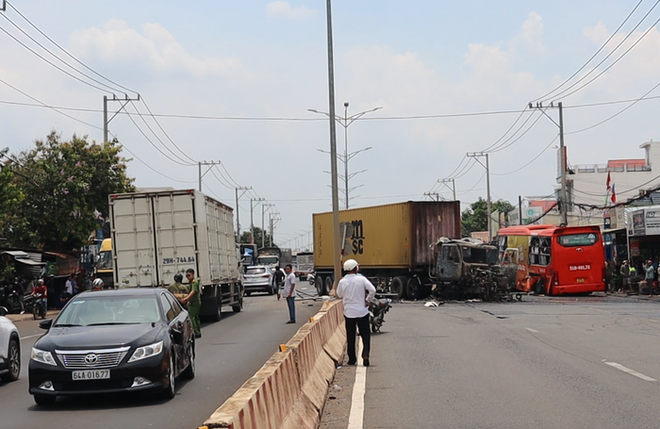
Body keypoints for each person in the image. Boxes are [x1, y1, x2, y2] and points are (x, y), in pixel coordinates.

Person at [335, 259, 376, 367]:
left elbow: (339, 294)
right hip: (362, 310)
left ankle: (352, 359)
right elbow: (373, 290)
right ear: (355, 268)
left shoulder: (342, 281)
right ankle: (366, 353)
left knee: (350, 336)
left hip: (349, 312)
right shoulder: (361, 279)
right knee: (365, 334)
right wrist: (368, 300)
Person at [181, 269, 202, 338]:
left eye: (189, 275)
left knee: (192, 317)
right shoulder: (191, 282)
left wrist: (186, 299)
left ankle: (196, 332)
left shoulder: (194, 282)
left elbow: (193, 292)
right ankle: (198, 332)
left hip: (194, 303)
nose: (187, 277)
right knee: (195, 318)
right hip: (194, 302)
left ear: (193, 275)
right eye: (186, 275)